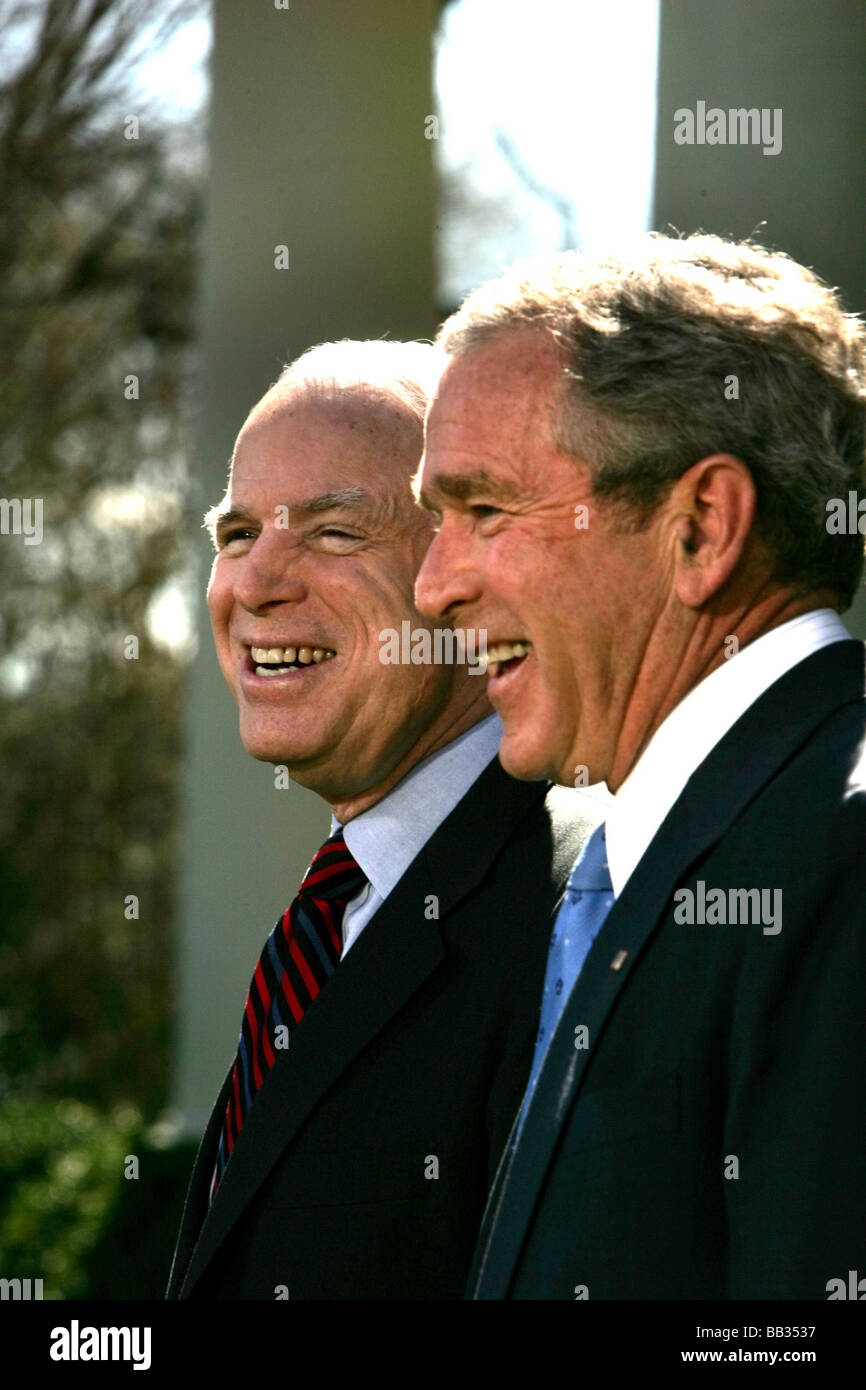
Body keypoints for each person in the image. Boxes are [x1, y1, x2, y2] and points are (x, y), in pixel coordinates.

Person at [414, 233, 866, 1300]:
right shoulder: (635, 860)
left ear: (698, 528)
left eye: (483, 510)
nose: (432, 587)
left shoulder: (839, 854)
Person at [166, 339, 602, 1300]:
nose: (256, 584)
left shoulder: (585, 903)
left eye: (332, 533)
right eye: (236, 535)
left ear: (463, 566)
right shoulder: (336, 911)